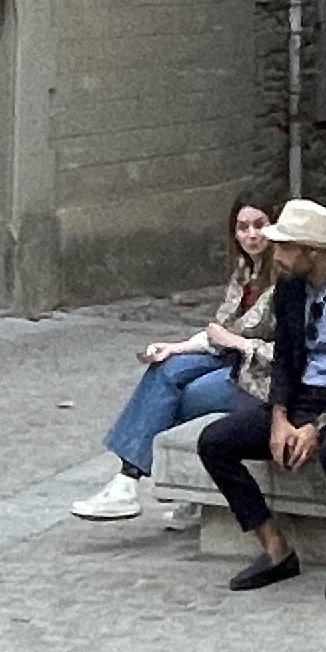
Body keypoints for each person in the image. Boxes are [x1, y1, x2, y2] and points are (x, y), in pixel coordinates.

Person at [190, 196, 326, 600]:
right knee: (215, 442)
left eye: (286, 247)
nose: (277, 254)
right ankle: (275, 549)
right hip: (303, 394)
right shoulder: (288, 286)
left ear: (314, 251)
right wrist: (280, 417)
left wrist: (318, 426)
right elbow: (285, 357)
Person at [72, 201, 276, 521]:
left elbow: (270, 345)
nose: (251, 235)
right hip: (228, 356)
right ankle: (126, 483)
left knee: (188, 395)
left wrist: (234, 342)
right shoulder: (243, 272)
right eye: (242, 227)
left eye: (259, 224)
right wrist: (176, 347)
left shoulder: (285, 277)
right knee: (165, 369)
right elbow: (219, 331)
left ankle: (175, 486)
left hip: (259, 372)